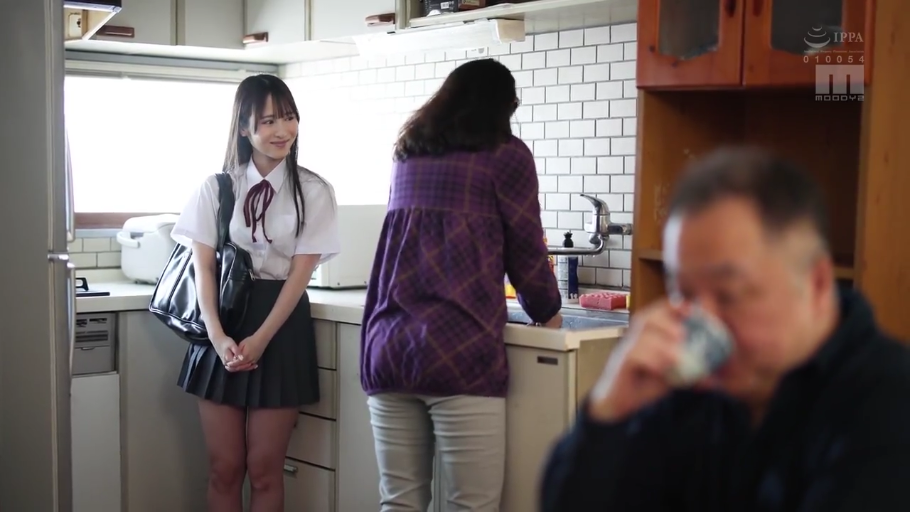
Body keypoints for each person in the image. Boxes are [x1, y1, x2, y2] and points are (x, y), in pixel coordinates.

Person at [540, 147, 910, 511]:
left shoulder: (888, 407)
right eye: (684, 294)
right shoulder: (694, 387)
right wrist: (608, 411)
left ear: (816, 283)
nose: (704, 324)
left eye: (729, 295)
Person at [360, 58, 564, 511]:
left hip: (389, 345)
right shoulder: (506, 155)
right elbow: (526, 246)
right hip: (460, 350)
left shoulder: (408, 152)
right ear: (503, 106)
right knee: (471, 506)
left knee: (398, 503)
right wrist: (547, 311)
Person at [170, 74, 340, 512]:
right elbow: (204, 269)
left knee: (265, 470)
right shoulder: (216, 187)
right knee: (224, 468)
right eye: (268, 121)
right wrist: (217, 337)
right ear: (244, 128)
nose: (282, 130)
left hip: (281, 325)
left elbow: (300, 275)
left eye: (289, 118)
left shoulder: (314, 191)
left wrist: (261, 339)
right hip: (222, 322)